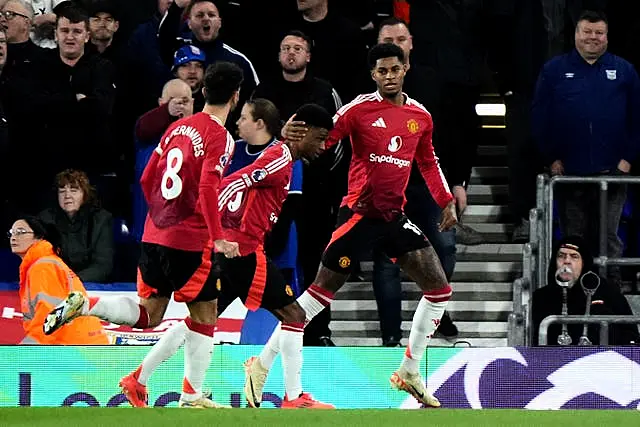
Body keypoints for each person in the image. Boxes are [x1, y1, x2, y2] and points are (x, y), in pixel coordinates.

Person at [244, 43, 457, 408]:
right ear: (373, 75)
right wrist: (289, 137)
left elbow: (428, 161)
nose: (389, 76)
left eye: (395, 69)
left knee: (439, 290)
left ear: (406, 68)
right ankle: (260, 366)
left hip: (394, 217)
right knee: (313, 300)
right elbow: (323, 138)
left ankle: (409, 371)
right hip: (358, 217)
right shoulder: (357, 109)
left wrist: (446, 201)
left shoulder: (420, 117)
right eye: (382, 71)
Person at [43, 61, 244, 409]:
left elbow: (148, 177)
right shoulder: (220, 137)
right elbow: (210, 186)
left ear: (202, 92)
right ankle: (192, 395)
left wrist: (159, 217)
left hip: (155, 234)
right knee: (206, 314)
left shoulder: (176, 130)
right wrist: (217, 235)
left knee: (150, 313)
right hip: (190, 239)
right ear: (236, 97)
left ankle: (88, 304)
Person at [218, 103, 334, 408]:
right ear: (303, 132)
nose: (323, 147)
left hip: (238, 250)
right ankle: (292, 397)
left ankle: (140, 378)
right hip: (243, 251)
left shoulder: (284, 156)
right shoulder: (281, 159)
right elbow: (231, 185)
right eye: (320, 139)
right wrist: (215, 234)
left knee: (199, 319)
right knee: (295, 315)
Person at [532, 10, 640, 289]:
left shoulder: (625, 71)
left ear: (607, 36)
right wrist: (551, 157)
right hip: (570, 174)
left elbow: (637, 118)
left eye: (599, 33)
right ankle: (572, 289)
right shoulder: (554, 70)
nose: (593, 38)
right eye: (587, 32)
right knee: (573, 236)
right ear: (576, 34)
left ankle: (610, 289)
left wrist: (628, 159)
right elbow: (540, 117)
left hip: (613, 173)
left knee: (610, 236)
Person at [372, 17, 459, 346]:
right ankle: (390, 339)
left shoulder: (434, 82)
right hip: (385, 189)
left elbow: (451, 135)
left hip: (425, 185)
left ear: (411, 45)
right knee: (386, 261)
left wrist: (454, 185)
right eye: (387, 39)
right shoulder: (364, 94)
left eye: (400, 38)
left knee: (446, 247)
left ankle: (436, 310)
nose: (395, 43)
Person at [9, 215, 108, 345]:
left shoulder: (42, 267)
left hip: (74, 348)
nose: (14, 237)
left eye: (21, 232)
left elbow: (49, 322)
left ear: (39, 237)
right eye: (12, 232)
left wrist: (24, 353)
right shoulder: (44, 263)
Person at [532, 235, 640, 346]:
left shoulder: (606, 291)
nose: (566, 261)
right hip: (553, 361)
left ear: (584, 263)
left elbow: (630, 333)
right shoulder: (541, 297)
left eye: (574, 256)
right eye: (561, 256)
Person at [39, 169, 114, 283]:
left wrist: (73, 280)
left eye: (73, 190)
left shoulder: (101, 219)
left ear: (85, 194)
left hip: (91, 285)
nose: (67, 196)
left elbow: (103, 264)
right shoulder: (45, 219)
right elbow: (41, 260)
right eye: (62, 191)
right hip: (54, 282)